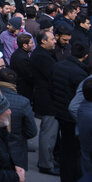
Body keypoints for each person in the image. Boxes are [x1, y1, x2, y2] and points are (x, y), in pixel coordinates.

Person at [52, 41, 89, 181]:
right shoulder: (80, 74)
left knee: (66, 149)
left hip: (60, 112)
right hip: (72, 116)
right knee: (75, 152)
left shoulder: (57, 66)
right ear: (85, 56)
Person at [30, 30, 60, 176]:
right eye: (52, 39)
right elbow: (53, 76)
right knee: (49, 132)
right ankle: (46, 163)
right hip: (47, 99)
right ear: (43, 41)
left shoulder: (43, 55)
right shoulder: (42, 57)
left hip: (46, 98)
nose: (55, 41)